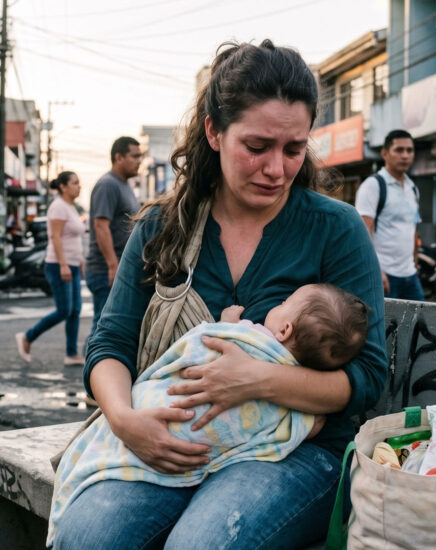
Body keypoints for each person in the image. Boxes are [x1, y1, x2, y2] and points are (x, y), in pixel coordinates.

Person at [53, 40, 386, 549]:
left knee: (201, 544)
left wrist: (258, 380)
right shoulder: (165, 226)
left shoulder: (335, 229)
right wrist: (127, 421)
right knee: (88, 538)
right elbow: (110, 344)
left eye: (293, 149)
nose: (276, 168)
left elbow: (366, 378)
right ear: (213, 131)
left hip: (292, 452)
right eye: (257, 147)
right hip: (167, 440)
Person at [49, 284, 370, 543]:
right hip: (152, 430)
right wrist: (121, 418)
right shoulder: (161, 227)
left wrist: (237, 341)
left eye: (285, 301)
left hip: (177, 417)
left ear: (284, 329)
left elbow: (210, 340)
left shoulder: (249, 334)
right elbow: (297, 424)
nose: (279, 304)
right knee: (88, 539)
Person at [16, 172, 87, 366]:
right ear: (63, 187)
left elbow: (71, 238)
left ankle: (71, 354)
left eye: (79, 183)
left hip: (71, 264)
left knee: (75, 310)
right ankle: (27, 337)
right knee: (64, 310)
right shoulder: (58, 207)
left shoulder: (71, 207)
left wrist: (79, 260)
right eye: (75, 183)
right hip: (58, 265)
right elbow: (55, 237)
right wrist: (63, 264)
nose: (78, 187)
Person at [85, 136, 142, 347]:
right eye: (134, 156)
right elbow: (100, 225)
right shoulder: (108, 185)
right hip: (106, 270)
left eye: (141, 156)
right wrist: (112, 265)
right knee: (103, 329)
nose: (139, 161)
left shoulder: (125, 185)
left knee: (111, 326)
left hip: (119, 267)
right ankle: (93, 374)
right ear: (118, 157)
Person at [355, 129, 424, 301]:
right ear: (385, 153)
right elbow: (363, 232)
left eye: (410, 150)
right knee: (384, 327)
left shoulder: (412, 188)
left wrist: (415, 261)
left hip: (410, 275)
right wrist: (375, 270)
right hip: (384, 276)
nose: (405, 155)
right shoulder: (373, 186)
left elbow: (413, 227)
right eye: (399, 150)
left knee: (418, 326)